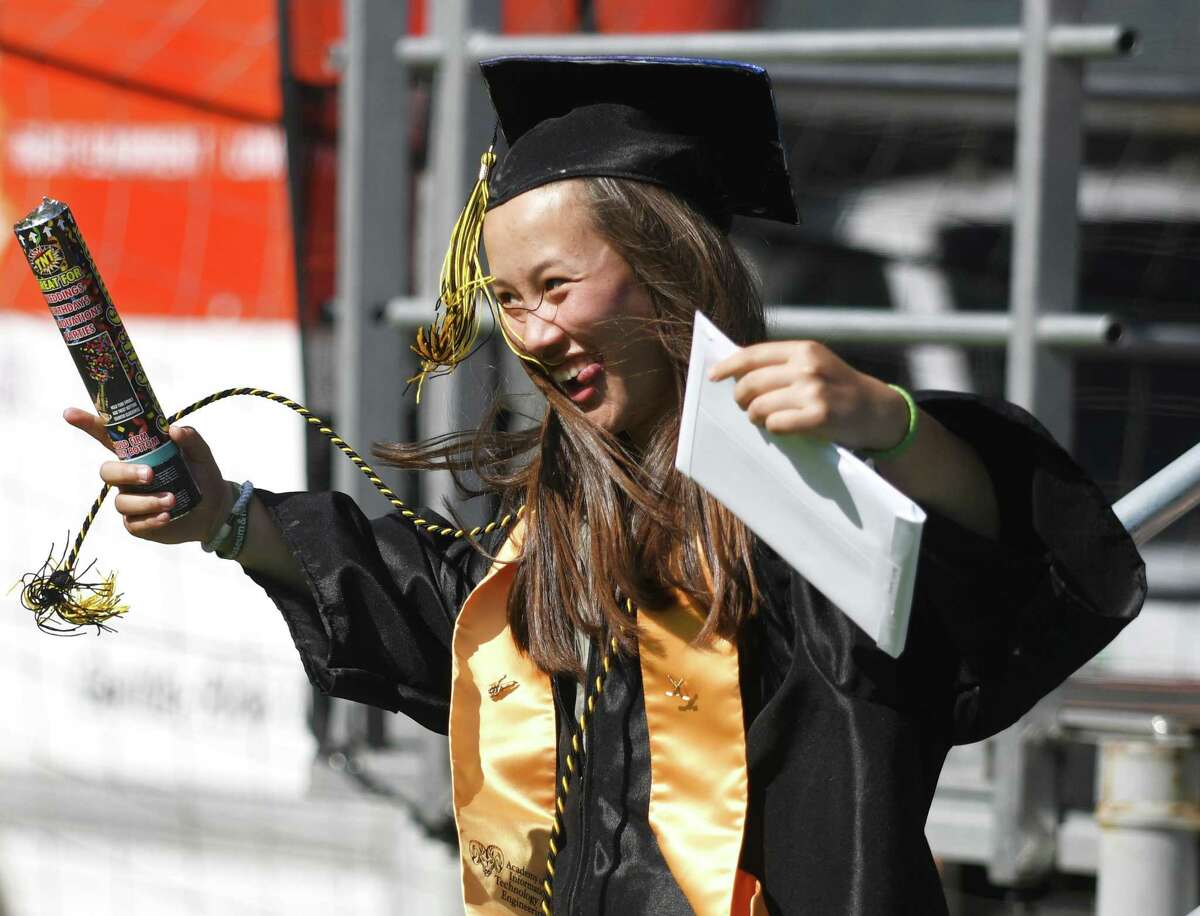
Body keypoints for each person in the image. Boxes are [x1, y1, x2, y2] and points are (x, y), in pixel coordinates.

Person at [65, 57, 1145, 915]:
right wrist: (227, 517)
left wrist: (891, 424)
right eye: (507, 299)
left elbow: (999, 555)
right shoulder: (564, 522)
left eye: (557, 286)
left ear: (671, 265)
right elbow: (448, 604)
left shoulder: (810, 513)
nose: (531, 333)